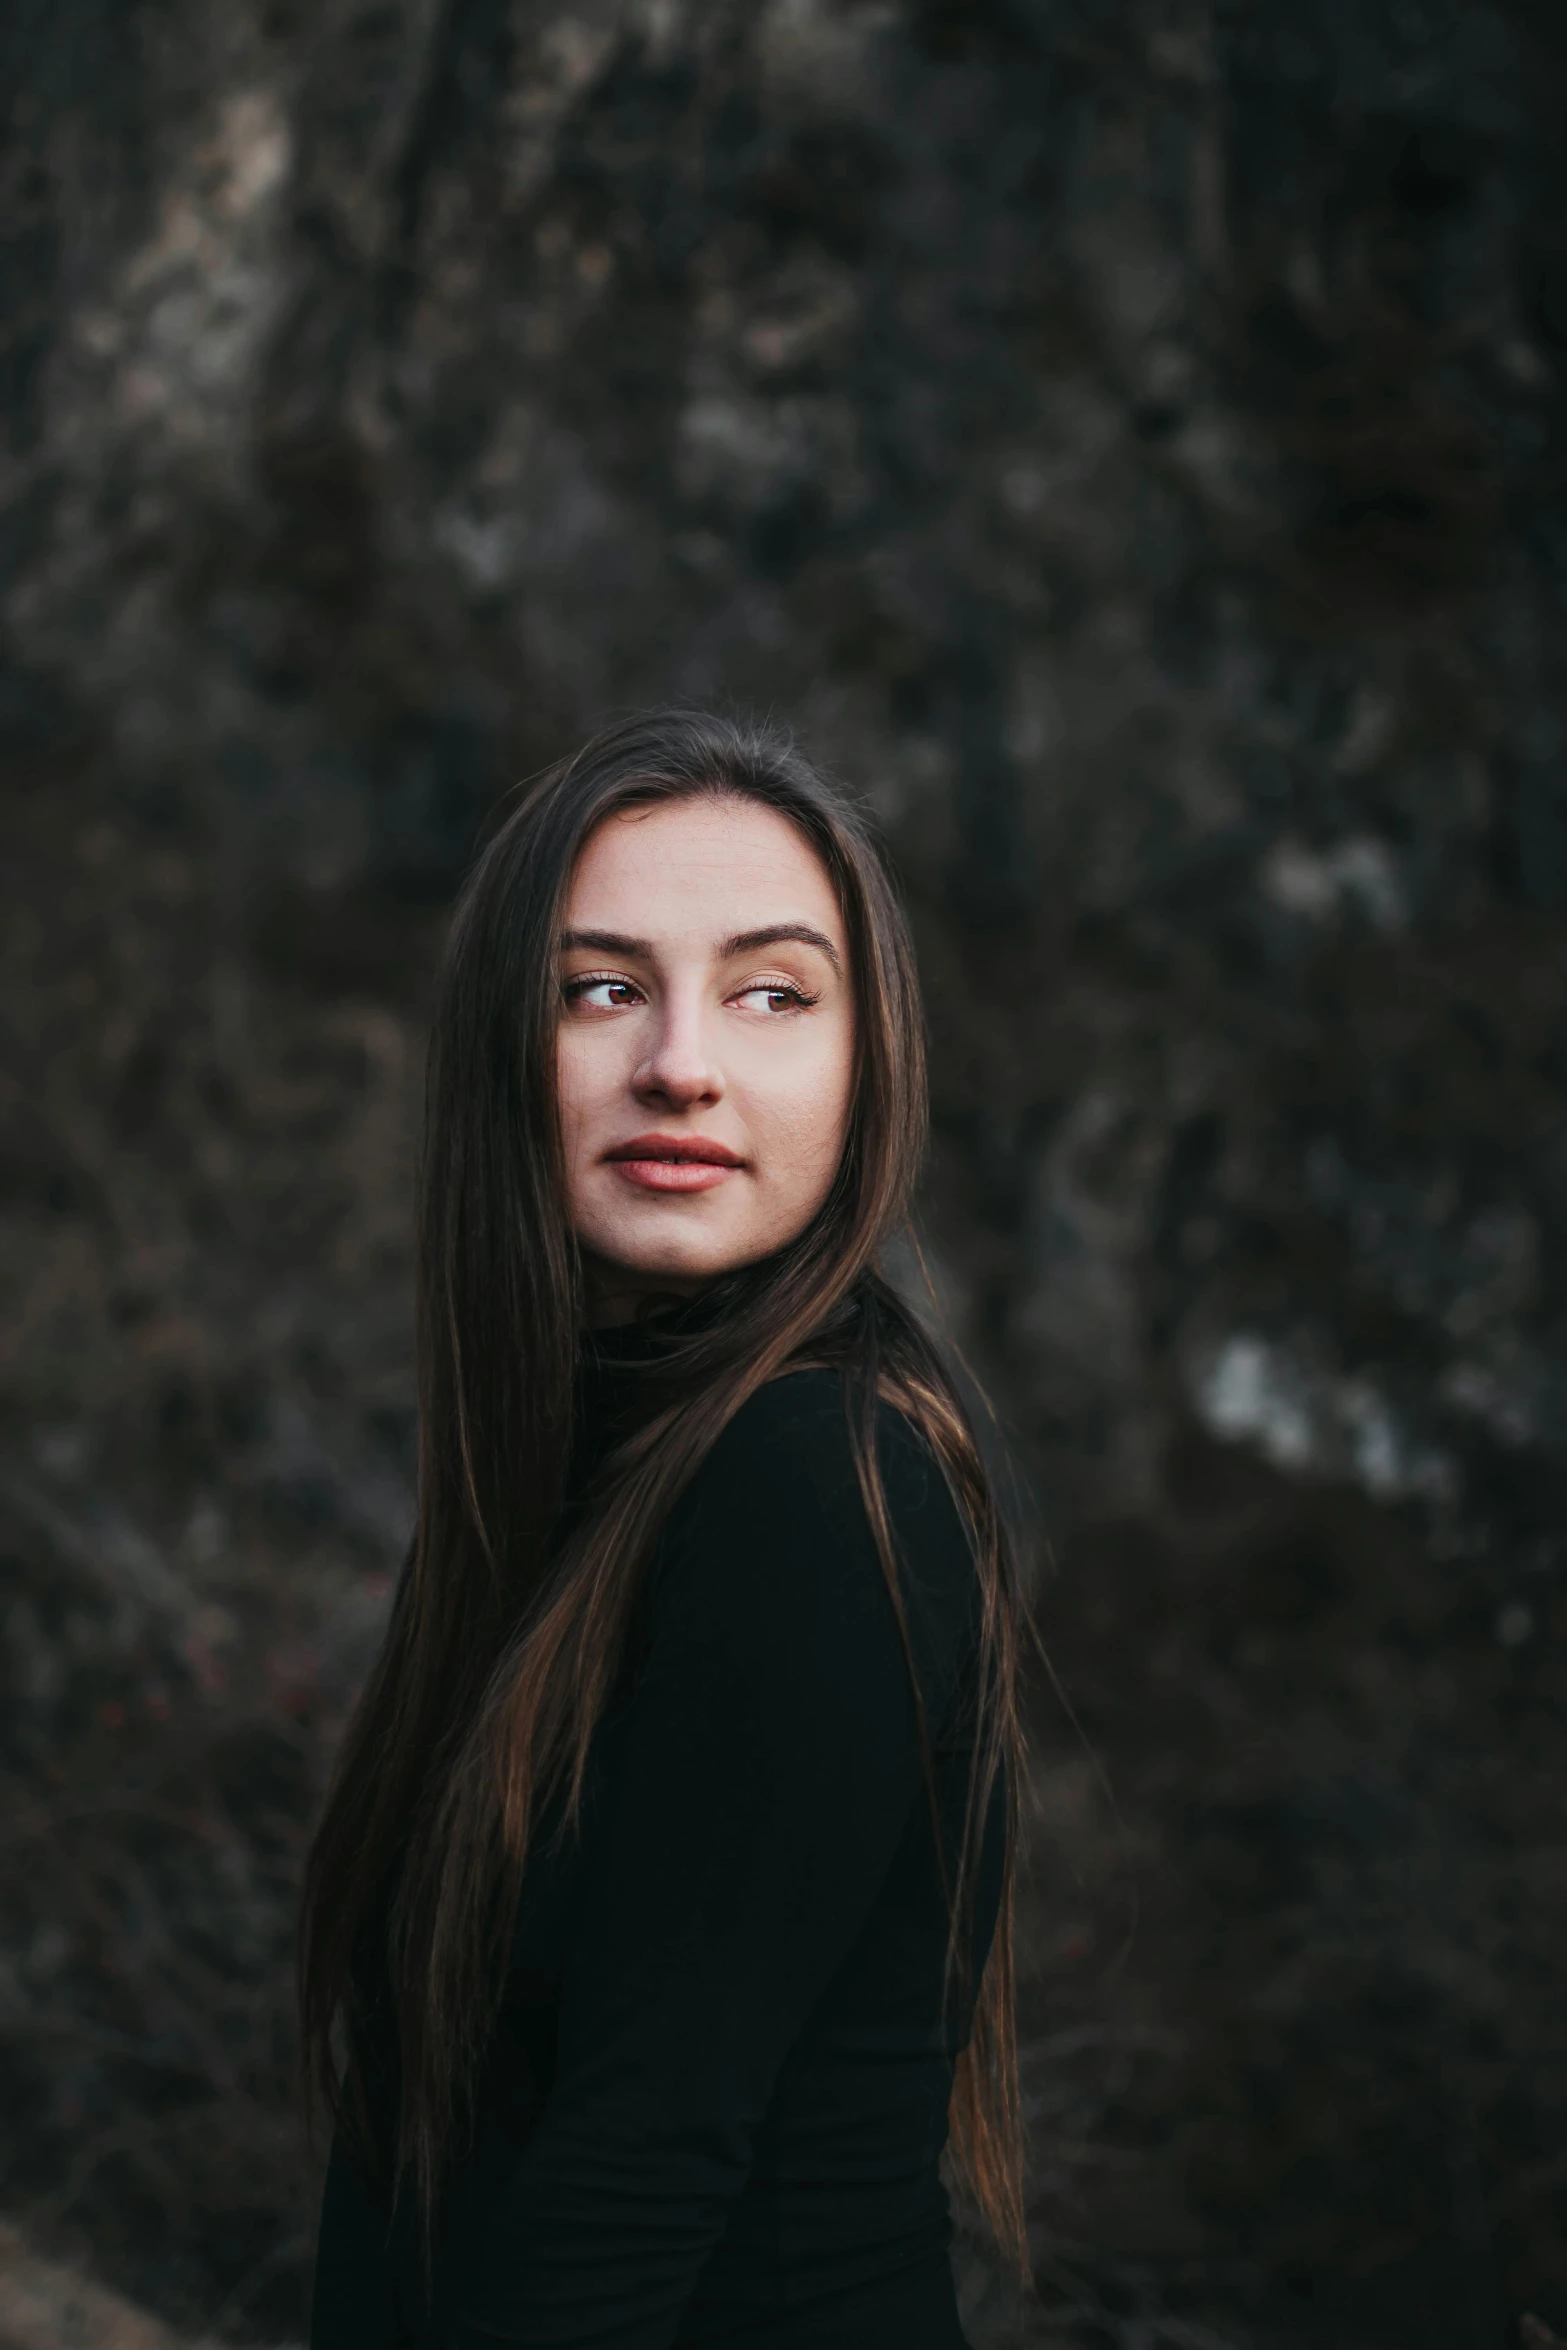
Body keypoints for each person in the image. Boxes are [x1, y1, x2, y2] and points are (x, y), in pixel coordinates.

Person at [298, 712, 1029, 2349]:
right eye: (601, 987)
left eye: (771, 993)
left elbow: (639, 2172)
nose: (680, 1062)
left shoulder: (815, 1479)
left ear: (865, 1067)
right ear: (506, 1042)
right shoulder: (556, 1467)